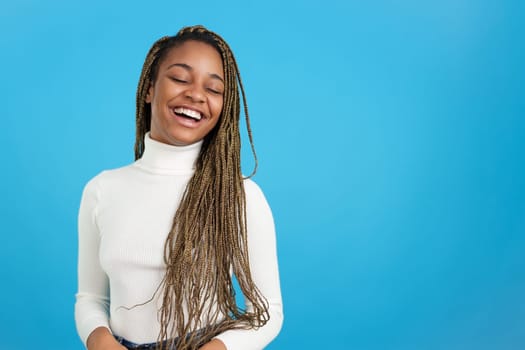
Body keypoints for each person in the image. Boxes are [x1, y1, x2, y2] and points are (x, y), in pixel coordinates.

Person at [75, 25, 283, 350]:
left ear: (223, 108)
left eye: (214, 89)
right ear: (148, 88)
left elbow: (268, 312)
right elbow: (90, 297)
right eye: (181, 79)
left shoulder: (239, 196)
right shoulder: (102, 190)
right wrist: (100, 341)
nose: (196, 94)